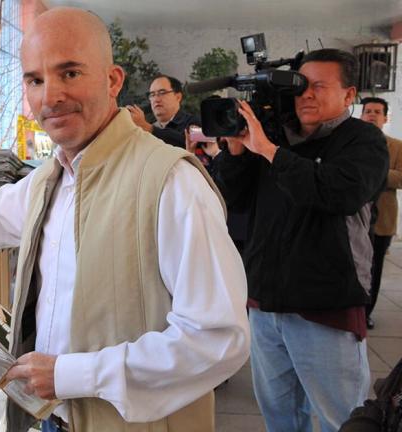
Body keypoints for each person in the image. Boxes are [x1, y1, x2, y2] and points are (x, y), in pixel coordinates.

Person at [0, 7, 249, 432]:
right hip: (49, 419)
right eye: (35, 80)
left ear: (113, 80)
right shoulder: (53, 175)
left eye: (70, 73)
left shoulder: (169, 182)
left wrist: (70, 375)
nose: (50, 96)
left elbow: (216, 338)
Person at [214, 48, 389, 432]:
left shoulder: (363, 141)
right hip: (264, 304)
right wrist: (238, 151)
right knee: (280, 418)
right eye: (301, 86)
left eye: (319, 87)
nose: (306, 95)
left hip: (325, 306)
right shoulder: (274, 136)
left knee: (342, 419)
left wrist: (270, 151)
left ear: (349, 95)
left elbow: (336, 193)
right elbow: (234, 199)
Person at [360, 96, 402, 330]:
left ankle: (367, 312)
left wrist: (371, 174)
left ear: (385, 118)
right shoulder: (349, 144)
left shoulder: (396, 146)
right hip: (352, 218)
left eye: (377, 111)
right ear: (361, 115)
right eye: (368, 111)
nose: (372, 115)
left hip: (382, 220)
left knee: (374, 269)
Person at [127, 75, 199, 147]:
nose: (156, 99)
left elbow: (189, 144)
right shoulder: (149, 126)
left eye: (162, 93)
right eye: (152, 94)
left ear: (178, 97)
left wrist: (148, 127)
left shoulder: (195, 122)